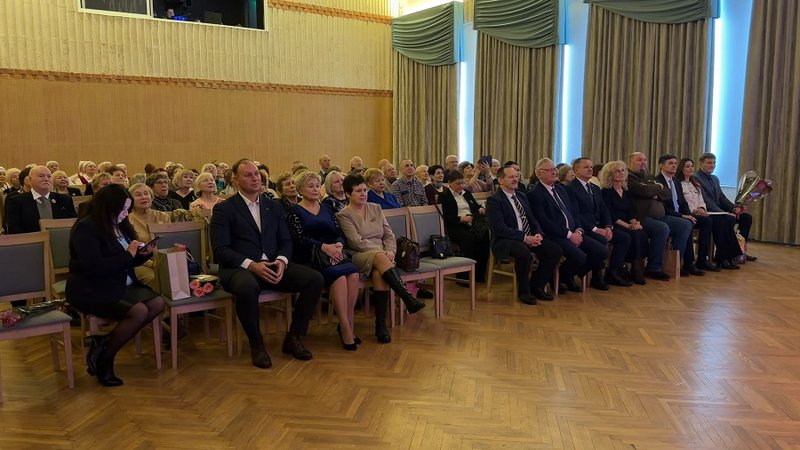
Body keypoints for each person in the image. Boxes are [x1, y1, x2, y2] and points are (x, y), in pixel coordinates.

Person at [210, 159, 324, 369]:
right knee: (246, 287)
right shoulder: (224, 209)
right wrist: (252, 265)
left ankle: (294, 337)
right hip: (240, 268)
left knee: (314, 279)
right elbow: (220, 250)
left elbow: (285, 241)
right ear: (235, 180)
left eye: (257, 174)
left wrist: (281, 261)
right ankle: (257, 344)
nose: (255, 178)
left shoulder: (273, 206)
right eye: (248, 175)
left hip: (272, 264)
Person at [66, 184, 165, 387]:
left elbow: (128, 260)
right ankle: (106, 359)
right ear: (107, 207)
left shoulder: (120, 223)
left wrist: (142, 254)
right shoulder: (87, 227)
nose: (125, 214)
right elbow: (94, 267)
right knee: (138, 311)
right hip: (92, 288)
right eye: (122, 209)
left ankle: (102, 343)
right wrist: (128, 255)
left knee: (157, 303)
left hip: (119, 282)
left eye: (128, 209)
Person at [337, 174, 425, 343]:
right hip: (359, 255)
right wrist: (381, 253)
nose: (363, 194)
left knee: (379, 275)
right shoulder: (344, 214)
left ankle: (380, 326)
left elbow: (388, 234)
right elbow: (356, 242)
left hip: (382, 256)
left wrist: (390, 250)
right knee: (378, 259)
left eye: (365, 190)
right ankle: (406, 296)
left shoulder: (376, 207)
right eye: (358, 191)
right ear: (348, 194)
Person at [287, 172, 361, 351]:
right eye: (310, 186)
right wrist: (323, 247)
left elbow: (339, 232)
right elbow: (299, 239)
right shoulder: (294, 210)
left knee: (353, 274)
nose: (315, 189)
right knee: (340, 278)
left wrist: (339, 244)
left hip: (334, 253)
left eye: (316, 185)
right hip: (311, 257)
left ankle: (348, 322)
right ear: (300, 190)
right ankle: (346, 328)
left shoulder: (327, 208)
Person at [529, 158, 609, 292]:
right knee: (580, 257)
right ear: (539, 174)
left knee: (601, 251)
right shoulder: (535, 194)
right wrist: (569, 235)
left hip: (572, 231)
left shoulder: (561, 189)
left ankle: (564, 276)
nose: (554, 172)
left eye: (554, 169)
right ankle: (559, 278)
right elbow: (545, 222)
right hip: (555, 235)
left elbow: (573, 212)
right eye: (549, 170)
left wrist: (578, 229)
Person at [486, 166, 562, 304]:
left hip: (528, 236)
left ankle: (536, 286)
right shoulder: (494, 200)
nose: (515, 179)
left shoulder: (521, 195)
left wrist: (538, 233)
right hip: (506, 240)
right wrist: (524, 238)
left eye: (516, 176)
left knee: (554, 250)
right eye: (511, 177)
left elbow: (532, 219)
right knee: (523, 253)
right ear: (501, 180)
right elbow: (499, 228)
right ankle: (524, 292)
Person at [567, 157, 632, 287]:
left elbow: (604, 210)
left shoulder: (595, 188)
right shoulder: (571, 188)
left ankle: (611, 272)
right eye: (586, 167)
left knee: (623, 238)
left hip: (597, 226)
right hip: (582, 228)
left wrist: (608, 226)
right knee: (601, 244)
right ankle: (571, 274)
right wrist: (596, 229)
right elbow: (576, 214)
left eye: (591, 167)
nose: (590, 169)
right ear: (576, 170)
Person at [601, 160, 669, 283]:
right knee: (632, 235)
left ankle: (636, 267)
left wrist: (634, 222)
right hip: (614, 223)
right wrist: (628, 225)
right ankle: (617, 270)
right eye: (617, 171)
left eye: (623, 170)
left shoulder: (626, 191)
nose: (621, 173)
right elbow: (610, 214)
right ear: (610, 174)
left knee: (641, 233)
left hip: (626, 222)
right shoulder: (606, 192)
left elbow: (631, 211)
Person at [626, 152, 692, 279]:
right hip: (641, 217)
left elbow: (667, 194)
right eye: (639, 160)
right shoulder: (629, 177)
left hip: (660, 216)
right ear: (629, 163)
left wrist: (654, 191)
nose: (643, 162)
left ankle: (675, 264)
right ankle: (654, 267)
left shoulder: (649, 177)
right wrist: (656, 188)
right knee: (661, 228)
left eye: (645, 160)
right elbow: (643, 191)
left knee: (685, 225)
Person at [678, 158, 742, 270]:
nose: (691, 168)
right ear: (681, 169)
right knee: (715, 221)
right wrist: (695, 211)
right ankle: (710, 258)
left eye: (692, 166)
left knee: (728, 220)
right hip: (690, 213)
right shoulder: (679, 183)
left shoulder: (695, 183)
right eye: (687, 166)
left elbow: (702, 199)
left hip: (702, 212)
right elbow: (682, 202)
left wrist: (702, 208)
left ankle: (727, 256)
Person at [695, 152, 756, 261]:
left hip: (718, 210)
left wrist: (734, 208)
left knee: (746, 218)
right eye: (709, 163)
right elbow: (705, 200)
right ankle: (725, 255)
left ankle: (741, 250)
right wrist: (725, 213)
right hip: (708, 211)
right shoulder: (696, 178)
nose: (712, 165)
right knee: (727, 219)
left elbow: (722, 198)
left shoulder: (714, 178)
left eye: (714, 163)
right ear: (701, 163)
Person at [655, 154, 708, 275]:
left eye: (675, 163)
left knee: (693, 221)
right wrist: (682, 216)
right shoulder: (657, 181)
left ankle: (688, 262)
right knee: (685, 224)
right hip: (665, 215)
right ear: (661, 166)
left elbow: (683, 203)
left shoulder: (676, 181)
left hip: (679, 215)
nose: (674, 165)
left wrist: (689, 214)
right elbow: (664, 207)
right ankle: (680, 263)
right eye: (670, 163)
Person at [437, 170, 490, 283]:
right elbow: (443, 216)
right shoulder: (444, 196)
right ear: (449, 183)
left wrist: (481, 208)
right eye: (458, 183)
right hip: (454, 226)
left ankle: (478, 274)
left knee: (485, 237)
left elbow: (475, 206)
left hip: (471, 223)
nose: (461, 186)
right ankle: (463, 277)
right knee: (468, 238)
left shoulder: (467, 193)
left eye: (462, 183)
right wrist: (460, 219)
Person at [4, 165, 77, 234]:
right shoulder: (16, 201)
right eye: (41, 176)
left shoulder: (64, 200)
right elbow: (14, 230)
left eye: (49, 176)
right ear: (30, 180)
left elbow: (73, 226)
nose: (46, 179)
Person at [127, 183, 171, 288]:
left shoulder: (163, 217)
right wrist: (152, 264)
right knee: (155, 278)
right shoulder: (127, 221)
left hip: (164, 260)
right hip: (140, 263)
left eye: (146, 194)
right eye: (138, 195)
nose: (144, 197)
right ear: (130, 200)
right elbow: (130, 250)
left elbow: (169, 242)